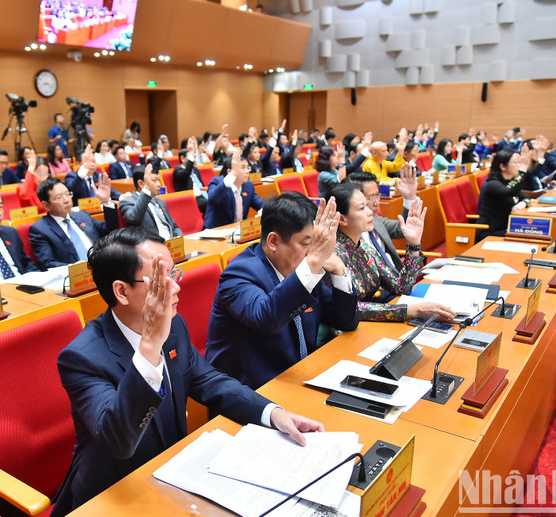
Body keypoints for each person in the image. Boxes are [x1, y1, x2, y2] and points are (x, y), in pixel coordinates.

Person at [50, 227, 324, 514]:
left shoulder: (173, 326)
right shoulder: (81, 358)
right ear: (121, 291)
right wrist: (149, 345)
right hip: (113, 494)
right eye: (160, 279)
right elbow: (118, 441)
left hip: (173, 473)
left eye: (174, 273)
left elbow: (209, 380)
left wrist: (273, 413)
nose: (176, 286)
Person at [205, 192, 360, 389]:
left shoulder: (301, 271)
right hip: (253, 393)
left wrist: (339, 270)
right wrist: (312, 262)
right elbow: (266, 317)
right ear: (273, 241)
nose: (313, 252)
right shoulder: (239, 274)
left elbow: (346, 321)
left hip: (299, 379)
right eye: (306, 243)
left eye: (316, 243)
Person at [330, 183, 455, 322]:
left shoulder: (364, 247)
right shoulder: (331, 254)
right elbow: (350, 308)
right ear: (341, 219)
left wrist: (413, 245)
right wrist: (411, 310)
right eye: (361, 208)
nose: (370, 211)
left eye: (367, 205)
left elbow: (401, 287)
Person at [29, 177, 118, 269]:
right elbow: (48, 263)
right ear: (46, 205)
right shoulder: (40, 229)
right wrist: (73, 268)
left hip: (104, 267)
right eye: (59, 198)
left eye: (68, 194)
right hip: (76, 277)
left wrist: (106, 202)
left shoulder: (82, 215)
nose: (66, 200)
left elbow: (111, 231)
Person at [345, 168, 417, 272]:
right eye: (370, 198)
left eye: (377, 196)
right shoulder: (349, 235)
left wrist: (409, 198)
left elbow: (403, 228)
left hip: (397, 279)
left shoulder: (375, 219)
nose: (376, 203)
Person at [476, 148, 535, 242]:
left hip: (506, 228)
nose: (519, 166)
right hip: (489, 232)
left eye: (520, 163)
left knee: (534, 232)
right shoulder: (492, 184)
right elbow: (510, 192)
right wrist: (523, 168)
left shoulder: (509, 182)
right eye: (516, 163)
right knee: (529, 236)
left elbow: (527, 198)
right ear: (503, 166)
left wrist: (523, 203)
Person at [119, 164, 183, 239]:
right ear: (141, 183)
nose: (159, 184)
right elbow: (134, 219)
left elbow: (174, 226)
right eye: (154, 180)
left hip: (172, 245)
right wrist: (146, 189)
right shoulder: (127, 202)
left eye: (158, 180)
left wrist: (179, 238)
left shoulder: (160, 202)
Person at [203, 151, 264, 229]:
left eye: (247, 167)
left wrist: (263, 210)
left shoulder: (248, 186)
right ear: (229, 171)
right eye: (242, 168)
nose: (247, 171)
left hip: (238, 232)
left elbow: (261, 203)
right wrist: (233, 174)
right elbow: (214, 198)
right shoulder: (217, 182)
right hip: (216, 232)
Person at [172, 140, 207, 214]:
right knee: (210, 205)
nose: (193, 159)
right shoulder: (178, 169)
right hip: (191, 199)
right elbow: (186, 173)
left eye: (194, 157)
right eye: (191, 157)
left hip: (203, 195)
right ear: (182, 158)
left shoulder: (195, 170)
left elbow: (201, 185)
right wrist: (191, 153)